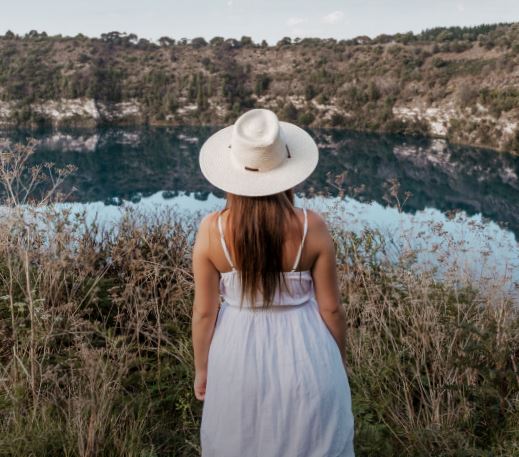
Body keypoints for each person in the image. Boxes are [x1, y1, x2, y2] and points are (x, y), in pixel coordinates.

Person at [191, 108, 355, 456]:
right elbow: (331, 308)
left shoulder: (211, 231)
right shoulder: (312, 226)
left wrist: (202, 369)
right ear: (287, 170)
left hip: (235, 357)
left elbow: (204, 314)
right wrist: (337, 359)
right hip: (308, 356)